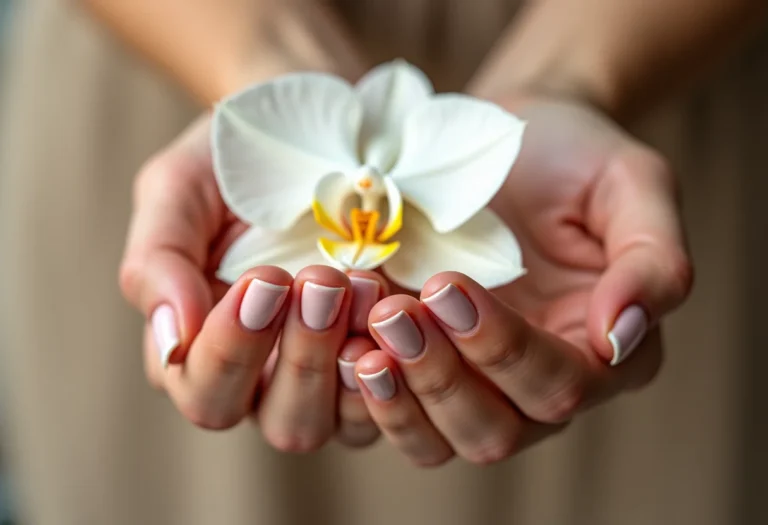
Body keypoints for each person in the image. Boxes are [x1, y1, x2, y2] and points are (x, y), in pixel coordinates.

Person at [1, 1, 766, 524]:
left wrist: (570, 80)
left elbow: (489, 232)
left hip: (658, 60)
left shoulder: (493, 194)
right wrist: (257, 58)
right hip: (183, 51)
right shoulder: (255, 191)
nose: (364, 215)